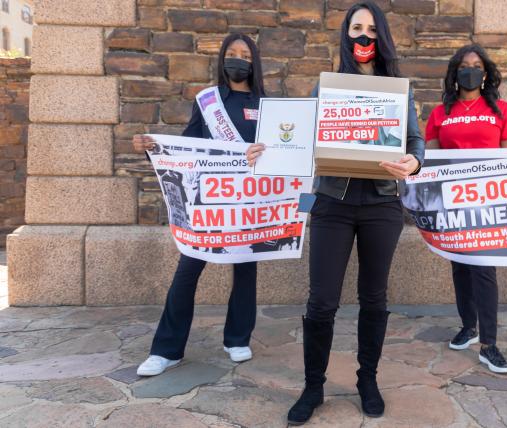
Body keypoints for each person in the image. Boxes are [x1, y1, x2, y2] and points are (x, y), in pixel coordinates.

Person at [258, 2, 424, 425]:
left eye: (371, 29)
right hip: (333, 202)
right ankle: (313, 386)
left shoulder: (398, 89)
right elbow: (297, 134)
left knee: (374, 298)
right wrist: (266, 147)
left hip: (382, 204)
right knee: (321, 301)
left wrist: (414, 163)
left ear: (381, 36)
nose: (363, 37)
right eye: (356, 28)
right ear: (345, 35)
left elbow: (414, 140)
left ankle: (367, 379)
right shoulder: (327, 87)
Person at [132, 33, 268, 376]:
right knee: (187, 271)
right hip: (210, 199)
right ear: (223, 59)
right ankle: (167, 349)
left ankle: (238, 338)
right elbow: (187, 147)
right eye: (232, 54)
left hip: (249, 199)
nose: (238, 59)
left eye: (245, 54)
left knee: (245, 270)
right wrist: (154, 148)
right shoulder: (207, 101)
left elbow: (281, 150)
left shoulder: (265, 102)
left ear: (254, 62)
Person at [425, 44, 507, 373]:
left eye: (476, 65)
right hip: (452, 203)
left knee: (484, 270)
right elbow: (432, 159)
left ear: (485, 72)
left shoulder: (501, 110)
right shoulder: (441, 113)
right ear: (455, 73)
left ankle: (489, 344)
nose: (470, 70)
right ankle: (468, 326)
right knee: (461, 267)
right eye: (464, 65)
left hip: (487, 203)